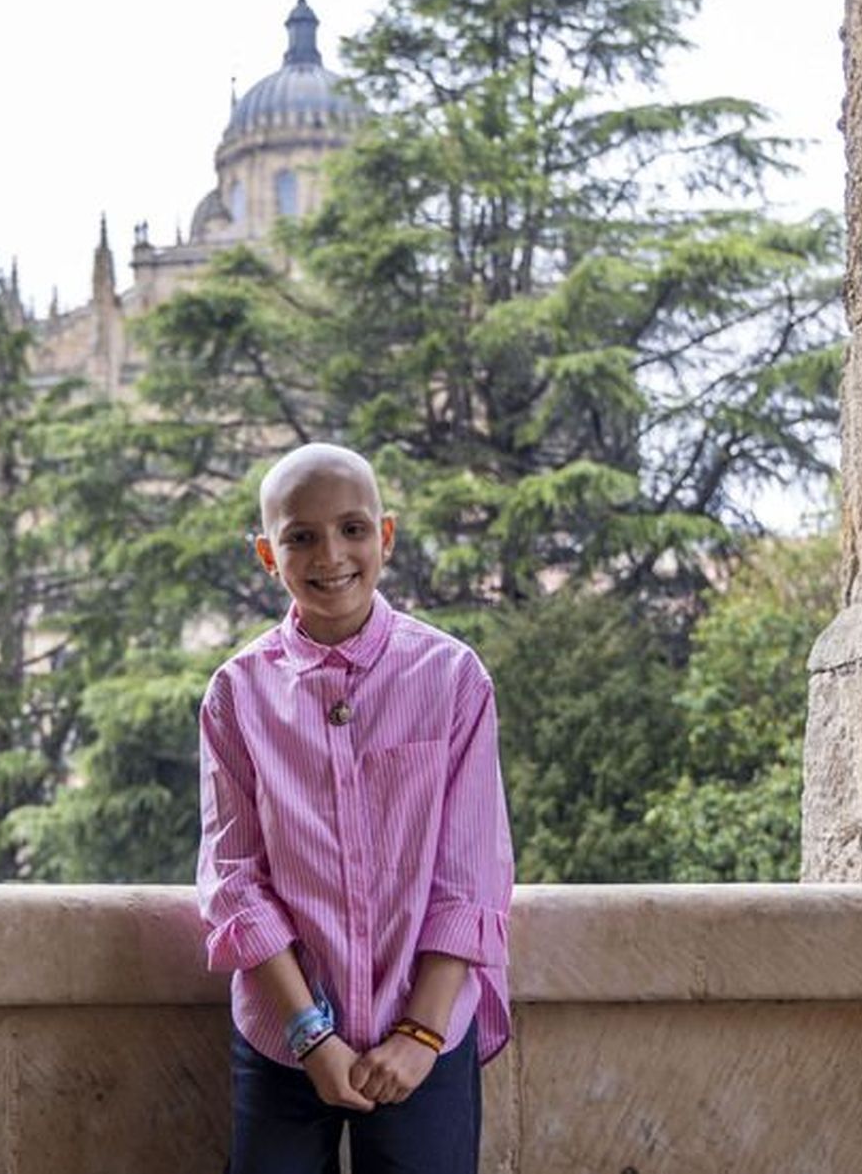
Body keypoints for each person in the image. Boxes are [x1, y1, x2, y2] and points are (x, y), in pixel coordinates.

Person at [197, 442, 513, 1174]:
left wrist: (420, 1035)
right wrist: (311, 1033)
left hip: (423, 1024)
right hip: (286, 1033)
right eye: (300, 536)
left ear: (387, 535)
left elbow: (469, 876)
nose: (330, 554)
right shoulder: (237, 694)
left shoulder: (453, 677)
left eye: (352, 528)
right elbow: (235, 877)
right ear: (267, 555)